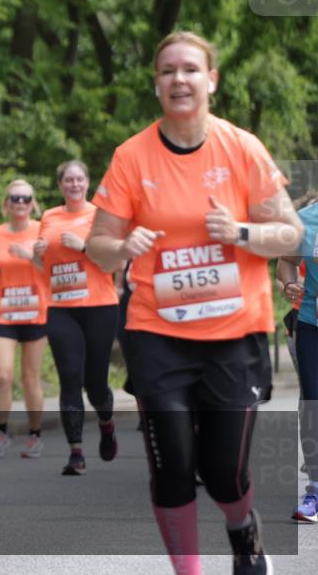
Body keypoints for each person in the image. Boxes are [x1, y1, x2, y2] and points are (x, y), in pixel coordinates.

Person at [87, 31, 303, 575]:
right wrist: (123, 246)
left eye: (189, 69)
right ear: (156, 82)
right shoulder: (132, 156)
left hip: (235, 334)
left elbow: (292, 234)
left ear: (211, 80)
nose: (178, 79)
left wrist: (242, 232)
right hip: (157, 332)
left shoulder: (242, 149)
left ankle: (242, 532)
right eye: (167, 71)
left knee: (225, 471)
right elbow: (98, 245)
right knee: (173, 465)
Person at [32, 160, 119, 475]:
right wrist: (36, 255)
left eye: (79, 179)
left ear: (87, 183)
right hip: (61, 306)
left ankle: (107, 423)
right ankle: (76, 452)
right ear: (60, 185)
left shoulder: (100, 215)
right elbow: (42, 268)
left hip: (99, 306)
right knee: (69, 376)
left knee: (96, 383)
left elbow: (113, 261)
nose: (74, 184)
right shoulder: (49, 217)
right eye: (68, 180)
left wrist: (83, 247)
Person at [0, 179, 48, 459]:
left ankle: (35, 435)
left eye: (25, 198)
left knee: (30, 377)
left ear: (33, 203)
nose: (20, 202)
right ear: (6, 204)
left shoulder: (42, 230)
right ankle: (1, 430)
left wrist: (31, 256)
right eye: (14, 197)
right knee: (3, 374)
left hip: (36, 310)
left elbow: (52, 268)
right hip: (4, 310)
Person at [277, 191, 318, 523]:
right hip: (311, 323)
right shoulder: (304, 219)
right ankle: (314, 492)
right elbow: (286, 262)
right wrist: (289, 285)